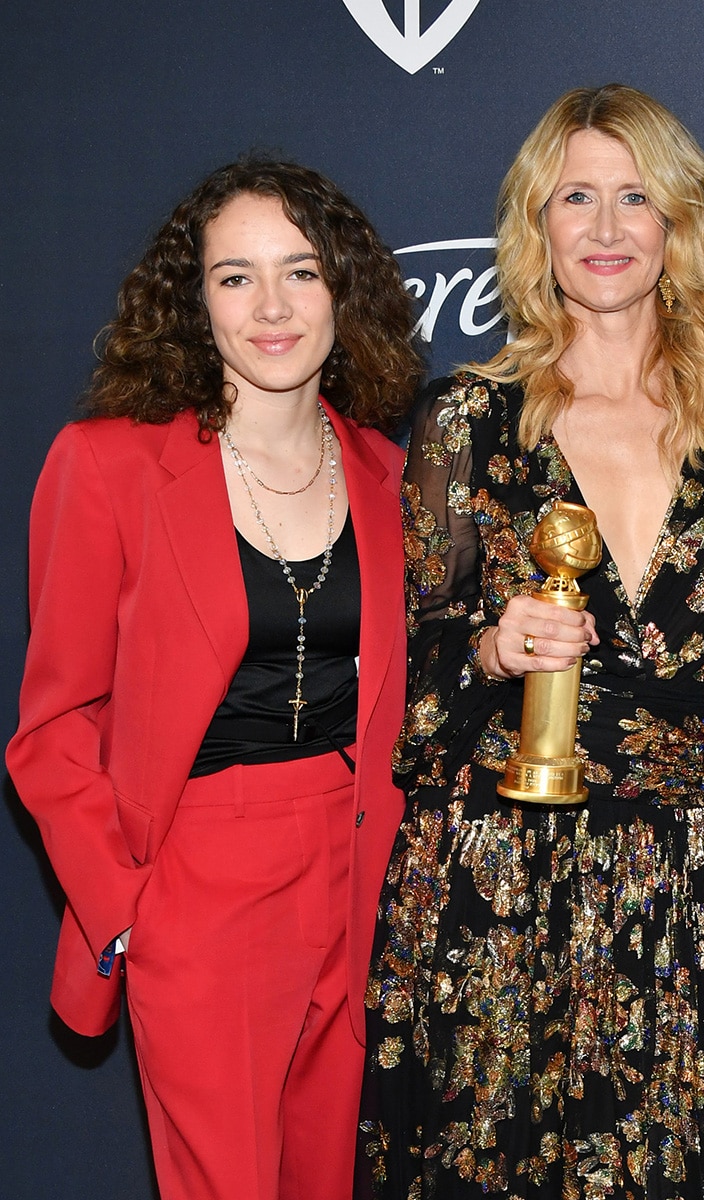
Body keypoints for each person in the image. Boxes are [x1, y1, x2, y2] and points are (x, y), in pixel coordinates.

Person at [357, 84, 704, 1200]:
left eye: (635, 197)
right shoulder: (467, 418)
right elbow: (411, 688)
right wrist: (491, 651)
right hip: (491, 881)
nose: (604, 227)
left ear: (679, 222)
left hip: (670, 890)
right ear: (536, 224)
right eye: (575, 197)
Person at [7, 158, 421, 1200]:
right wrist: (124, 906)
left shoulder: (385, 472)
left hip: (359, 872)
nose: (272, 306)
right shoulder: (108, 464)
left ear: (345, 291)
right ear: (196, 303)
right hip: (202, 880)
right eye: (236, 277)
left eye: (301, 271)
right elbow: (53, 725)